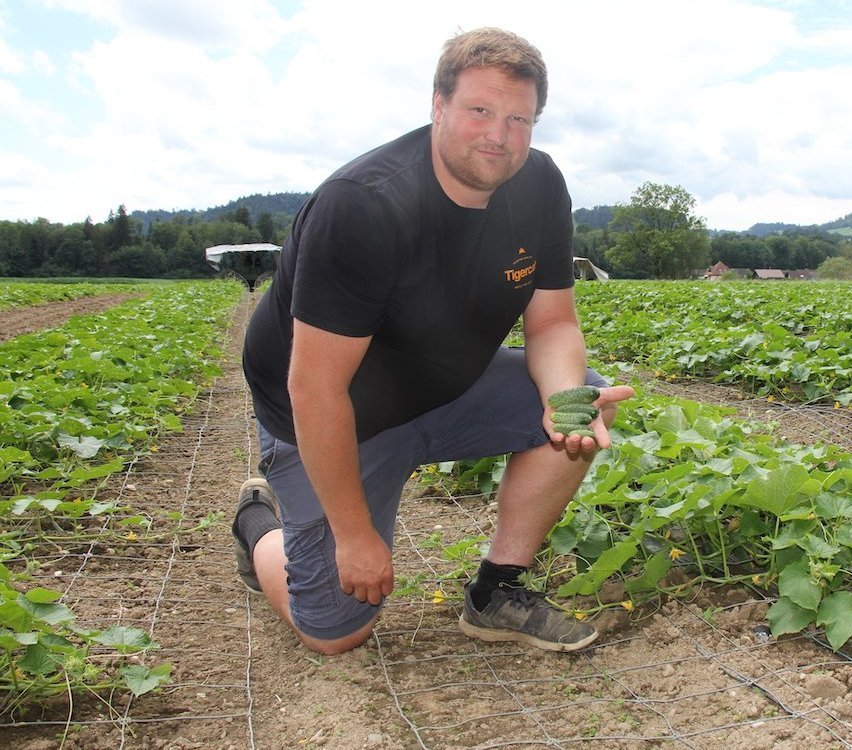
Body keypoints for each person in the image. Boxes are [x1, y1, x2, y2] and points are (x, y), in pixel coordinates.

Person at [234, 27, 633, 656]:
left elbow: (553, 322)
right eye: (480, 110)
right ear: (438, 105)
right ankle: (256, 526)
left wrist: (563, 400)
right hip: (334, 419)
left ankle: (497, 591)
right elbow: (316, 389)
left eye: (519, 118)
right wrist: (354, 533)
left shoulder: (538, 187)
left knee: (586, 400)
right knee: (337, 633)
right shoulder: (363, 207)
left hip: (445, 388)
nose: (499, 135)